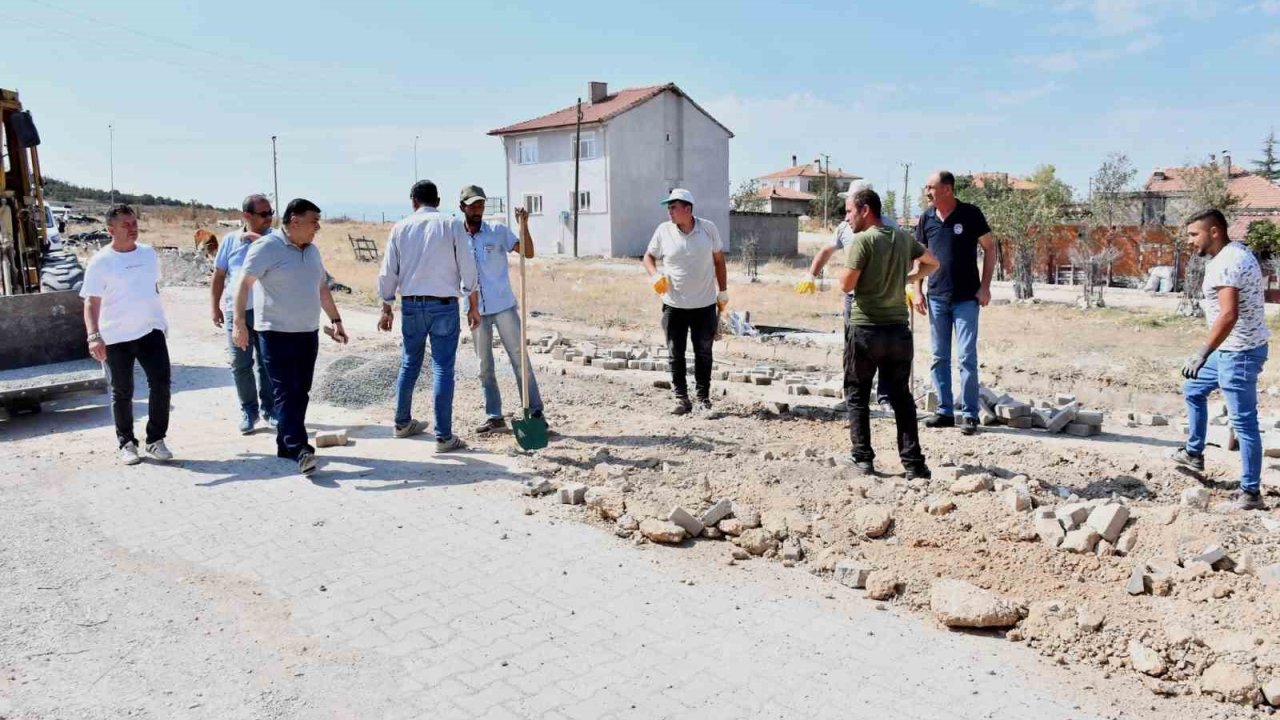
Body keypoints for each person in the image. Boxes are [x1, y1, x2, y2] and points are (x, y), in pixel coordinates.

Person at [233, 198, 348, 476]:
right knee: (286, 391)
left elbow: (321, 288)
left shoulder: (312, 252)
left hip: (307, 332)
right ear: (294, 221)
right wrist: (239, 323)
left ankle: (285, 444)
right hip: (275, 333)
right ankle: (299, 447)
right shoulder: (266, 247)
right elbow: (243, 285)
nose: (317, 227)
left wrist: (336, 320)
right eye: (313, 221)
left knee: (301, 391)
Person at [1172, 209, 1270, 511]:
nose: (1189, 241)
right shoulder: (1236, 252)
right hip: (1231, 349)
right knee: (1194, 389)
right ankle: (1193, 452)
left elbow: (1229, 314)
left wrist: (1202, 351)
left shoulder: (1226, 263)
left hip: (1238, 352)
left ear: (1214, 232)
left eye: (1193, 234)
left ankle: (1250, 491)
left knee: (1243, 422)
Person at [838, 189, 938, 478]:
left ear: (865, 209)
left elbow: (846, 285)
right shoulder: (903, 238)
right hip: (898, 332)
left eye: (849, 212)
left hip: (866, 331)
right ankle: (914, 465)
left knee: (857, 393)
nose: (847, 218)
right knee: (901, 398)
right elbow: (933, 263)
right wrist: (908, 278)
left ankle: (862, 457)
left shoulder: (862, 241)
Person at [377, 180, 479, 451]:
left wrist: (386, 306)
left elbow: (388, 271)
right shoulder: (451, 224)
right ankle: (443, 437)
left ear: (413, 201)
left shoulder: (400, 227)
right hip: (444, 305)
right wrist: (472, 301)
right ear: (438, 200)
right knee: (443, 368)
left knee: (410, 363)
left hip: (411, 304)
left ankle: (401, 423)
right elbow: (467, 265)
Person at [81, 204, 174, 465]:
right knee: (122, 391)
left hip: (150, 331)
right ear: (111, 229)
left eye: (134, 223)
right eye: (126, 225)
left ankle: (156, 440)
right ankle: (127, 443)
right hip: (115, 337)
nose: (133, 228)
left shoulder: (148, 254)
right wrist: (93, 335)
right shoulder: (101, 261)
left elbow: (151, 288)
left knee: (161, 385)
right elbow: (91, 302)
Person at [796, 180, 899, 411]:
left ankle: (885, 398)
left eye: (850, 206)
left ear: (864, 205)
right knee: (853, 348)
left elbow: (908, 253)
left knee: (883, 348)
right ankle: (852, 396)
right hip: (854, 299)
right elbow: (826, 250)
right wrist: (811, 275)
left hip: (883, 297)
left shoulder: (889, 227)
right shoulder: (845, 228)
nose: (846, 211)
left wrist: (909, 284)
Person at [911, 170, 995, 436]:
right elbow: (918, 256)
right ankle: (945, 411)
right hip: (936, 297)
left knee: (967, 357)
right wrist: (917, 289)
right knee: (939, 357)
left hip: (967, 299)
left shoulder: (970, 214)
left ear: (947, 189)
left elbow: (990, 248)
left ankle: (970, 415)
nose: (927, 192)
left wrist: (985, 287)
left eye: (931, 187)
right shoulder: (926, 218)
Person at [458, 185, 544, 434]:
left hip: (504, 306)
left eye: (481, 205)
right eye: (473, 205)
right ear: (462, 206)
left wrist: (523, 225)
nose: (478, 210)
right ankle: (494, 417)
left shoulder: (497, 231)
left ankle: (535, 411)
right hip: (475, 309)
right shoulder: (456, 237)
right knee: (484, 366)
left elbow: (528, 252)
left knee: (520, 360)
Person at [643, 188, 728, 415]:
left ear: (687, 209)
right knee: (675, 352)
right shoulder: (663, 231)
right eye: (668, 208)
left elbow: (719, 261)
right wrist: (654, 276)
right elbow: (648, 257)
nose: (669, 212)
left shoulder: (708, 229)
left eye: (673, 207)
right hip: (674, 305)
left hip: (704, 305)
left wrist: (723, 291)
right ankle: (681, 398)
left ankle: (703, 399)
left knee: (703, 353)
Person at [211, 194, 275, 434]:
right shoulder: (230, 241)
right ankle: (249, 410)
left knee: (267, 363)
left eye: (271, 212)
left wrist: (256, 240)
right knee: (240, 363)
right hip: (236, 312)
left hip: (266, 312)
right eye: (264, 214)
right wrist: (214, 306)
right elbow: (219, 275)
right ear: (246, 216)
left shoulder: (276, 239)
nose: (269, 217)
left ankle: (270, 410)